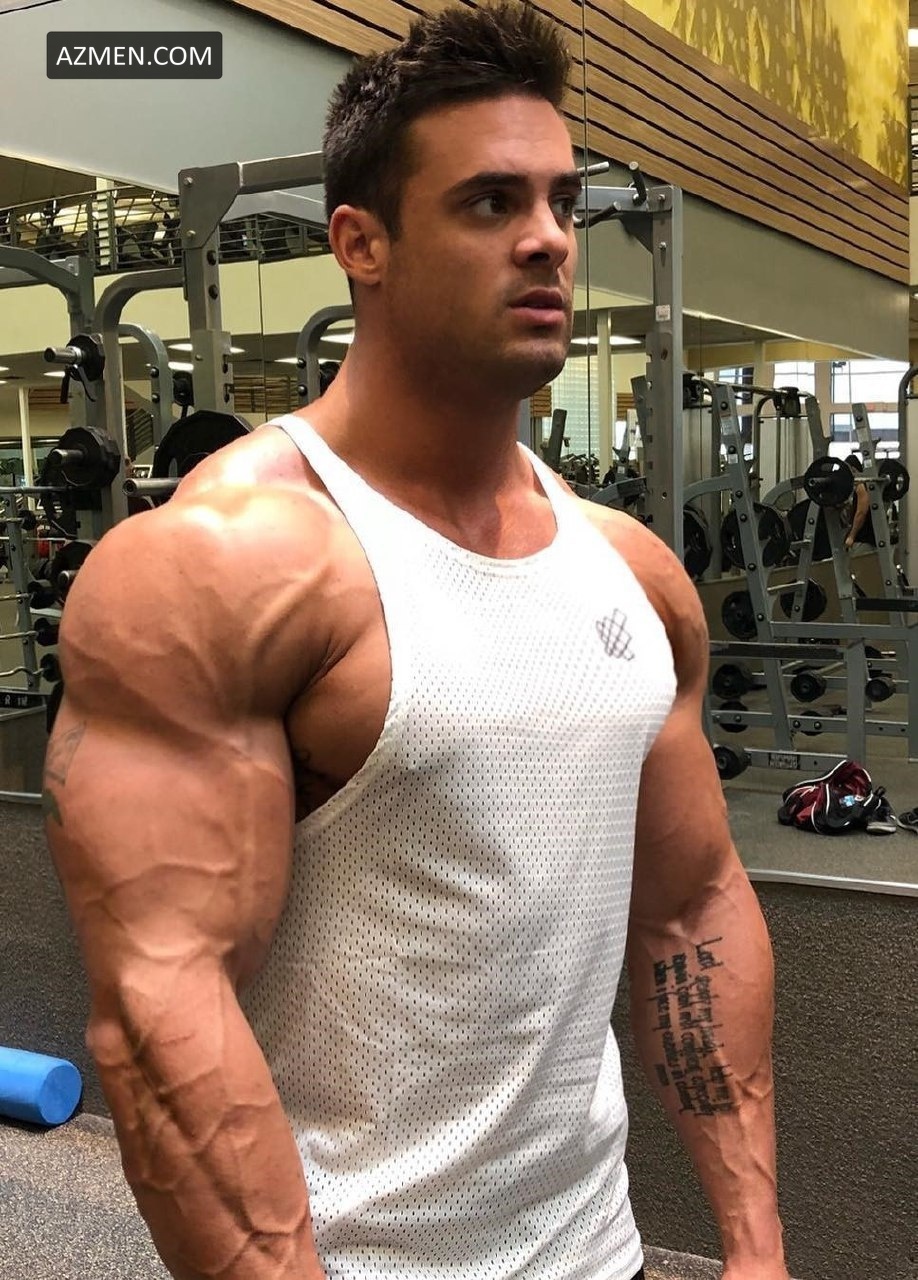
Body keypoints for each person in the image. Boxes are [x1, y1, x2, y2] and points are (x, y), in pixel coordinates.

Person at [42, 6, 789, 1280]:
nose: (548, 238)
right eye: (492, 201)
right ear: (362, 243)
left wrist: (755, 1248)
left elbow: (693, 909)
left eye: (562, 202)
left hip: (599, 1247)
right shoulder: (229, 564)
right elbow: (163, 1018)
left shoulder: (632, 571)